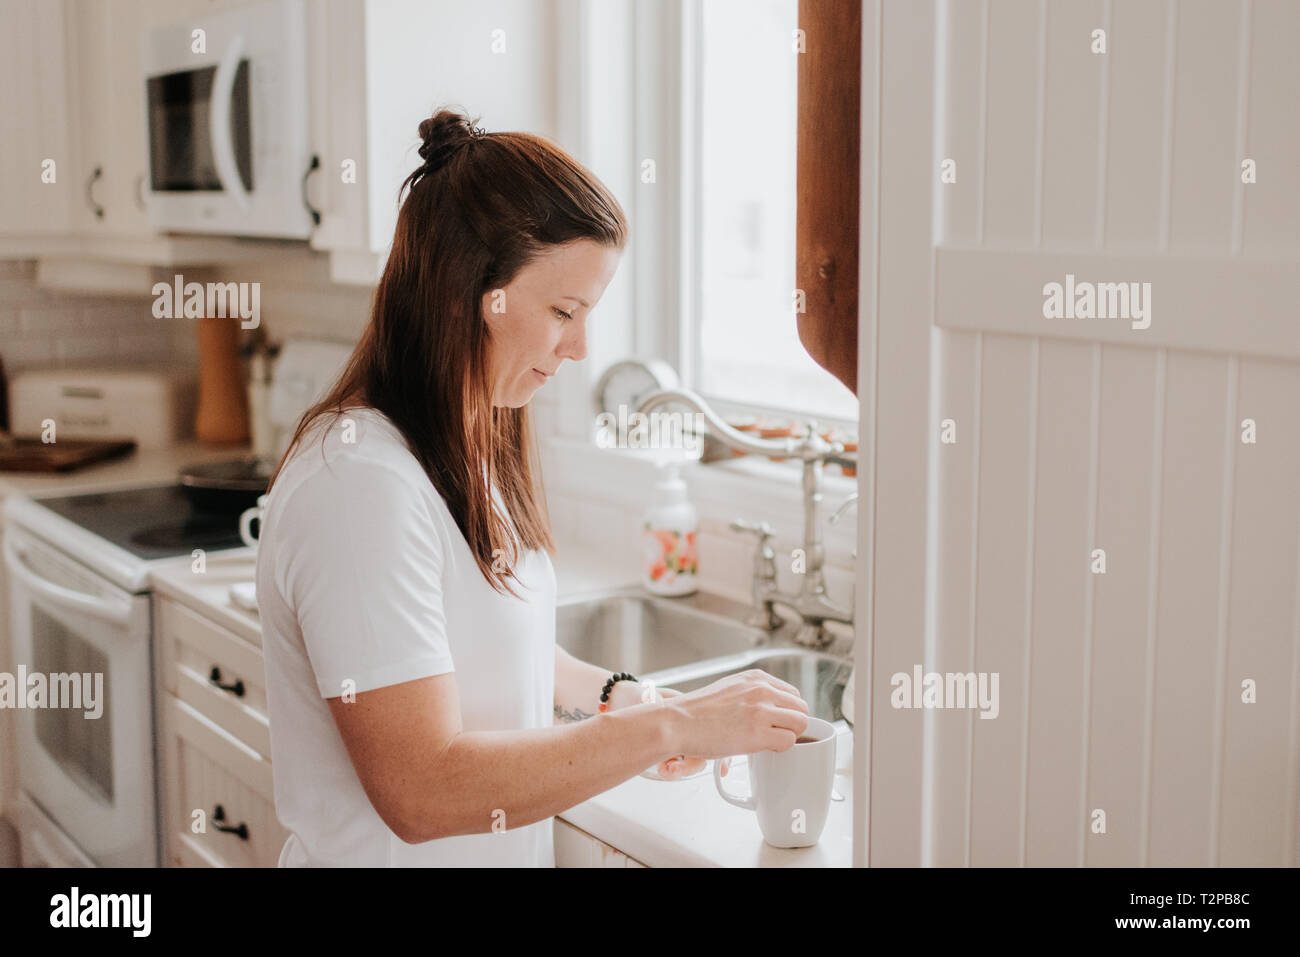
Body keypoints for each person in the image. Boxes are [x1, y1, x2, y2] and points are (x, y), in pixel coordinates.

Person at [256, 108, 810, 867]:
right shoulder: (357, 485)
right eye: (562, 311)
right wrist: (674, 729)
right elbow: (422, 791)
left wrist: (630, 698)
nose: (580, 347)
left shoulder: (467, 441)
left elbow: (487, 644)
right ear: (470, 292)